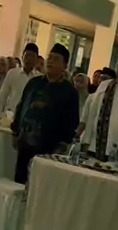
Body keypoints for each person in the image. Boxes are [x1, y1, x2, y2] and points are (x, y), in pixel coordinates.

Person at [12, 43, 79, 183]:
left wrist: (62, 144)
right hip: (25, 142)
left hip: (49, 148)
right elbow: (21, 106)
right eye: (50, 57)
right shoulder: (34, 83)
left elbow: (72, 121)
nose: (51, 61)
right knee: (20, 181)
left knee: (39, 184)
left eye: (56, 59)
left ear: (65, 66)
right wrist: (15, 131)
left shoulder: (69, 92)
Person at [0, 43, 40, 118]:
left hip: (28, 117)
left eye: (32, 56)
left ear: (36, 60)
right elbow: (2, 95)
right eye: (27, 56)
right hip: (10, 114)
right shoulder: (12, 73)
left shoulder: (39, 78)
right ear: (22, 56)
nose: (29, 59)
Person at [77, 67, 116, 139]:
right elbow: (84, 120)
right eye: (101, 78)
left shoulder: (115, 100)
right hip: (88, 138)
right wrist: (76, 136)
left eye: (105, 79)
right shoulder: (91, 97)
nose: (102, 81)